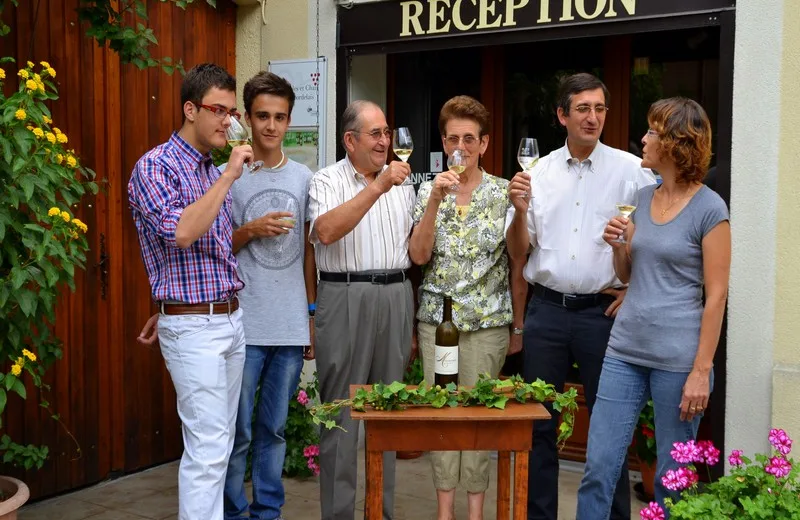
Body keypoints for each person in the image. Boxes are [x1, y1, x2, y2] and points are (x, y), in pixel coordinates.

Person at [505, 72, 656, 520]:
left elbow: (658, 236)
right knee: (539, 425)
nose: (593, 118)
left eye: (600, 109)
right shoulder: (538, 172)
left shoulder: (633, 171)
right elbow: (518, 251)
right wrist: (517, 211)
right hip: (547, 311)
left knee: (608, 431)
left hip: (602, 314)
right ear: (562, 115)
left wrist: (636, 291)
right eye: (583, 109)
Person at [575, 98, 730, 519]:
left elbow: (716, 295)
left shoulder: (710, 208)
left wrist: (701, 371)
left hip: (678, 364)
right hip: (624, 351)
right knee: (599, 468)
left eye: (653, 132)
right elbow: (629, 273)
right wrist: (620, 246)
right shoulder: (642, 197)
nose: (643, 139)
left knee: (672, 479)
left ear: (678, 142)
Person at [127, 63, 251, 520]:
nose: (229, 122)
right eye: (219, 111)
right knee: (208, 447)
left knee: (221, 442)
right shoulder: (155, 166)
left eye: (232, 112)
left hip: (226, 319)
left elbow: (210, 255)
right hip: (195, 326)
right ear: (189, 109)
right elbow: (181, 233)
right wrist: (228, 177)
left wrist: (165, 304)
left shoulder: (207, 168)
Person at [409, 95, 527, 520]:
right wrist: (435, 202)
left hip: (487, 325)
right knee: (441, 417)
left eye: (470, 139)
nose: (461, 147)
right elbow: (419, 257)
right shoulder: (426, 190)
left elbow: (519, 257)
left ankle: (475, 513)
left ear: (484, 143)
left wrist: (521, 213)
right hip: (436, 325)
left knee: (477, 419)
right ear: (443, 142)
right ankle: (445, 513)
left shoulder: (501, 192)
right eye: (453, 138)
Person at [308, 100, 416, 520]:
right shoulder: (326, 180)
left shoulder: (404, 185)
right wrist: (377, 186)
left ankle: (379, 513)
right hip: (344, 294)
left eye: (387, 133)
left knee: (387, 415)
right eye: (376, 134)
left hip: (395, 294)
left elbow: (414, 249)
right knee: (340, 416)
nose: (385, 141)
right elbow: (326, 231)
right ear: (349, 140)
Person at [219, 71, 317, 520]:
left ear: (290, 121)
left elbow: (310, 254)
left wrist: (311, 316)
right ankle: (235, 512)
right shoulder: (228, 176)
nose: (271, 126)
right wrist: (250, 230)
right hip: (242, 322)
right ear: (247, 118)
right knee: (237, 431)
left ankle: (268, 512)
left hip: (290, 323)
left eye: (279, 117)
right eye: (262, 116)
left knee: (273, 430)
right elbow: (212, 245)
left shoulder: (304, 177)